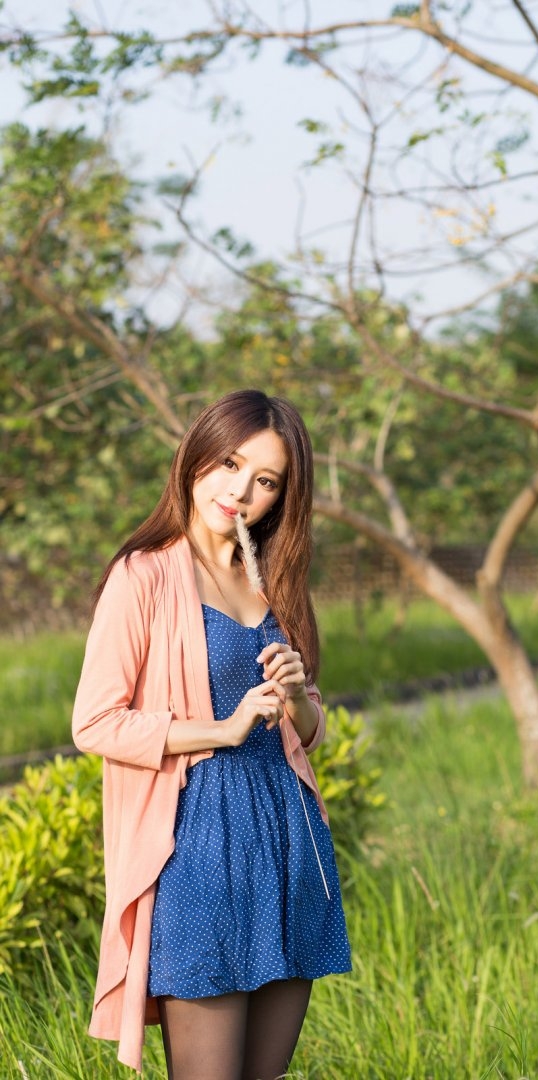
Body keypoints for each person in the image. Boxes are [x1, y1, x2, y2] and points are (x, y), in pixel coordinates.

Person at [72, 389, 351, 1079]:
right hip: (199, 849)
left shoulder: (277, 577)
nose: (241, 491)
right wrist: (220, 732)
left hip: (291, 843)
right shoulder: (143, 576)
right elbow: (94, 721)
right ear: (197, 456)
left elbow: (308, 727)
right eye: (229, 463)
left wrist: (295, 698)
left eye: (266, 480)